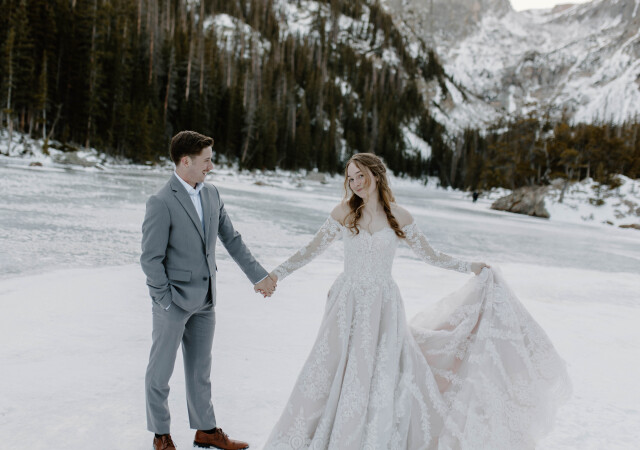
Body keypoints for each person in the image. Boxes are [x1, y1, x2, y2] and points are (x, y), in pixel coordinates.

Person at [263, 153, 571, 449]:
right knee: (333, 368)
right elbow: (310, 250)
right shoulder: (344, 212)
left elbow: (431, 255)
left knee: (380, 373)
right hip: (347, 303)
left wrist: (471, 266)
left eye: (360, 176)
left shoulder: (399, 216)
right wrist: (276, 275)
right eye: (350, 178)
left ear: (376, 175)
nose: (355, 183)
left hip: (383, 306)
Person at [140, 131, 277, 450]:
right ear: (185, 161)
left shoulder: (212, 194)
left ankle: (206, 430)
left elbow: (232, 239)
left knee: (200, 371)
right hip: (173, 303)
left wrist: (259, 276)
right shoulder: (161, 201)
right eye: (206, 161)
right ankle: (161, 435)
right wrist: (164, 301)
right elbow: (150, 258)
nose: (211, 167)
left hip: (206, 299)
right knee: (160, 373)